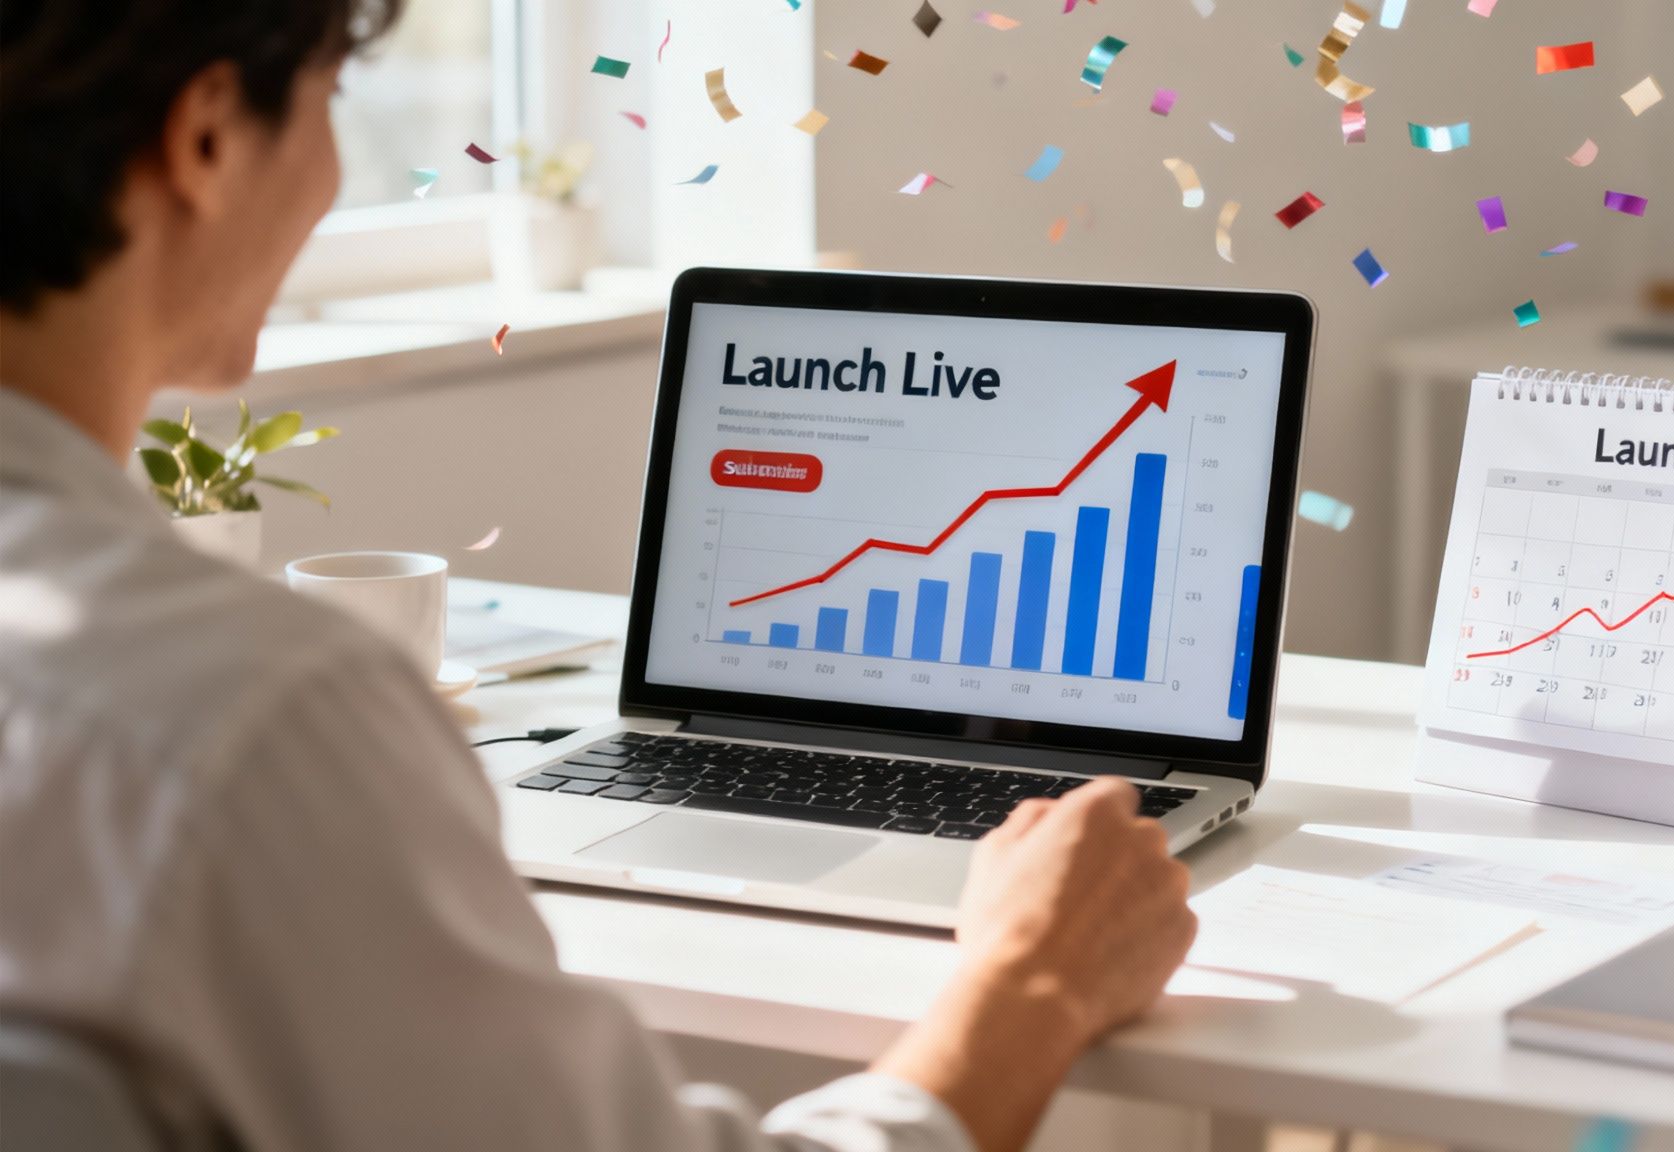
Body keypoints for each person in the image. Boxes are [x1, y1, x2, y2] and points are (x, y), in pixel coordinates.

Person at [0, 3, 1199, 1150]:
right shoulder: (253, 720)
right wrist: (1028, 980)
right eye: (329, 105)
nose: (330, 175)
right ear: (205, 135)